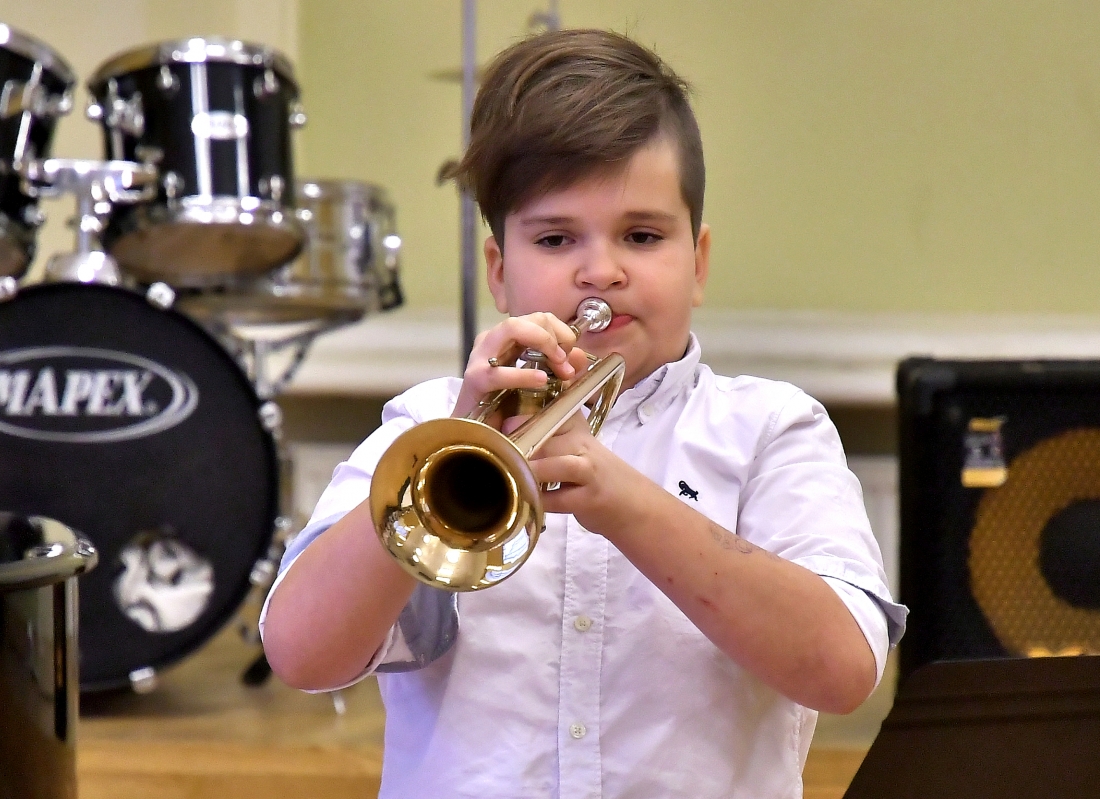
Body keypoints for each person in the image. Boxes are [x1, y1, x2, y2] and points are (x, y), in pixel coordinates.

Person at [261, 28, 906, 799]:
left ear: (698, 262)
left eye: (642, 235)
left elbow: (843, 670)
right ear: (500, 271)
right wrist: (449, 452)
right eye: (557, 237)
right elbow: (300, 654)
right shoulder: (425, 424)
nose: (601, 270)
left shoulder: (771, 429)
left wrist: (625, 503)